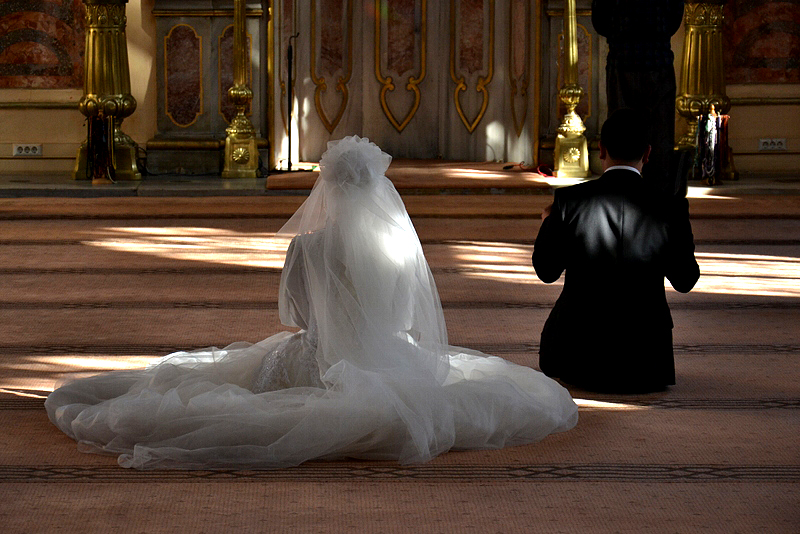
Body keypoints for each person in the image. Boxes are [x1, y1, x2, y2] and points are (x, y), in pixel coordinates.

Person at [46, 135, 578, 469]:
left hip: (321, 359)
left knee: (243, 383)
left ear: (327, 187)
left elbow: (294, 316)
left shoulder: (307, 247)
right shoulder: (398, 246)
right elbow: (409, 315)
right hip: (389, 357)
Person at [532, 109, 700, 393]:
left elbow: (546, 271)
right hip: (647, 363)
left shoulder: (569, 201)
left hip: (577, 359)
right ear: (647, 154)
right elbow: (685, 280)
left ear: (601, 150)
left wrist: (550, 224)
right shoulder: (669, 207)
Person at [592, 0, 685, 198]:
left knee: (621, 136)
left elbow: (600, 20)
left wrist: (621, 34)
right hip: (657, 60)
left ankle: (621, 197)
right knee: (660, 137)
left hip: (623, 59)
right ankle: (659, 201)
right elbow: (675, 16)